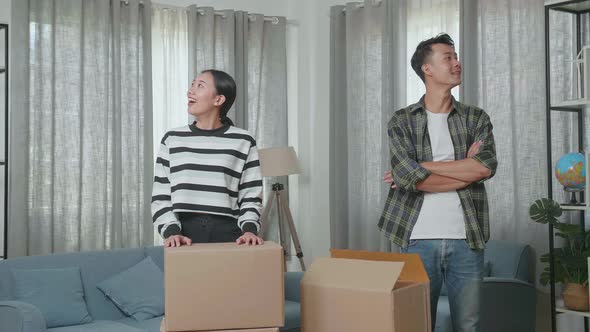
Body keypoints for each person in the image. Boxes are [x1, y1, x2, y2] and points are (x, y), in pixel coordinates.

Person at [380, 33, 497, 331]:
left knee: (468, 326)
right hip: (416, 237)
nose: (457, 63)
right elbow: (407, 179)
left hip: (467, 238)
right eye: (448, 57)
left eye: (456, 57)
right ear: (427, 69)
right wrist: (464, 171)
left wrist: (421, 168)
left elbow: (485, 168)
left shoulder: (475, 118)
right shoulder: (402, 120)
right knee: (416, 324)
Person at [152, 69, 264, 247]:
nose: (191, 91)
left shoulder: (243, 140)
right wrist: (171, 232)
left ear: (218, 99)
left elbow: (251, 195)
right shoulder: (172, 139)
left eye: (200, 86)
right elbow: (161, 195)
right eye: (192, 85)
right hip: (183, 237)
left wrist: (249, 230)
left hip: (231, 236)